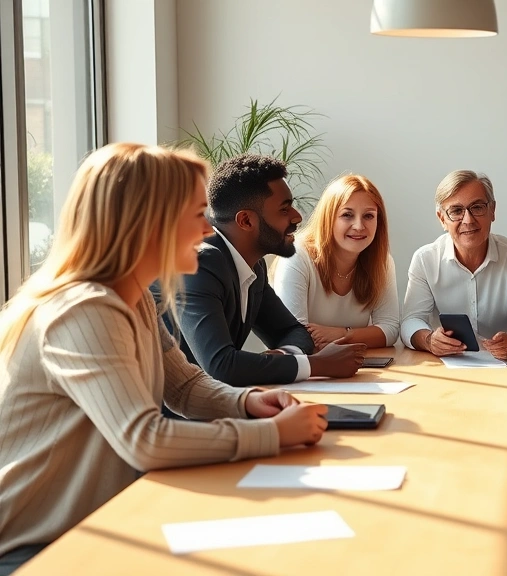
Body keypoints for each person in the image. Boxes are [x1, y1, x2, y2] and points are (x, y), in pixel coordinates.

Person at [0, 144, 329, 575]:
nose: (209, 230)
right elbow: (144, 438)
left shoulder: (132, 299)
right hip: (37, 552)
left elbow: (185, 386)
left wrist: (248, 402)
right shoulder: (83, 309)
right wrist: (271, 434)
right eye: (197, 215)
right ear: (149, 223)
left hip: (99, 529)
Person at [159, 154, 365, 386]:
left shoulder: (253, 265)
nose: (297, 216)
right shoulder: (199, 263)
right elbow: (221, 366)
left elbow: (293, 331)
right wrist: (318, 365)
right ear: (246, 221)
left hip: (214, 400)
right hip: (168, 408)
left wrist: (282, 355)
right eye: (284, 210)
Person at [401, 170, 507, 360]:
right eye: (456, 211)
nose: (468, 220)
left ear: (492, 210)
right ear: (442, 219)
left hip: (505, 365)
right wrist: (429, 340)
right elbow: (411, 320)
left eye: (477, 207)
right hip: (447, 364)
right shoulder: (425, 259)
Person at [274, 174, 400, 350]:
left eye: (368, 216)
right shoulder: (297, 256)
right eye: (347, 215)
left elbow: (390, 330)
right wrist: (362, 336)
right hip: (305, 365)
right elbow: (294, 337)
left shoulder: (382, 262)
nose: (359, 226)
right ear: (329, 218)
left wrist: (342, 334)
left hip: (354, 363)